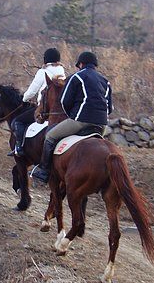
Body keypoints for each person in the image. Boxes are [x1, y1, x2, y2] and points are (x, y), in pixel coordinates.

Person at [31, 51, 113, 184]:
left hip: (80, 120)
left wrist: (72, 115)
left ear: (81, 64)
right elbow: (110, 108)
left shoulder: (77, 77)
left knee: (50, 136)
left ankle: (44, 171)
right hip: (102, 125)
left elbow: (64, 101)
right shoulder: (105, 81)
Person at [7, 48, 65, 157]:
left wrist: (24, 99)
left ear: (45, 59)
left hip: (45, 108)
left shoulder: (43, 72)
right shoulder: (61, 71)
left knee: (17, 121)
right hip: (59, 109)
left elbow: (32, 91)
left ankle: (18, 148)